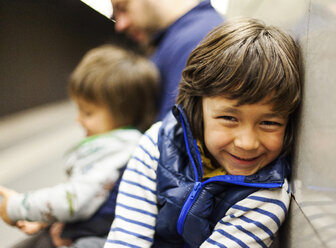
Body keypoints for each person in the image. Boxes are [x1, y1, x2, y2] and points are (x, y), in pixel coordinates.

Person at [104, 17, 303, 248]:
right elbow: (126, 240)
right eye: (229, 118)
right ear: (197, 108)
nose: (247, 143)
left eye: (269, 123)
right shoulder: (157, 145)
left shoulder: (267, 196)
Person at [0, 44, 159, 248]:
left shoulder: (119, 149)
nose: (78, 119)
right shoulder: (117, 143)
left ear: (124, 112)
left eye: (88, 113)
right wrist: (48, 219)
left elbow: (74, 199)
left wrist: (18, 206)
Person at [111, 0, 224, 120]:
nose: (120, 25)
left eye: (123, 8)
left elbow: (176, 130)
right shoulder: (173, 39)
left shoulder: (200, 39)